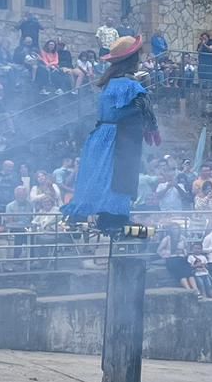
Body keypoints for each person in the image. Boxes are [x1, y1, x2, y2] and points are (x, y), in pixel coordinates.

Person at [62, 36, 160, 234]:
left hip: (102, 135)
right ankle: (115, 218)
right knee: (119, 176)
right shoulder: (129, 84)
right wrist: (152, 126)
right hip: (118, 138)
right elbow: (143, 103)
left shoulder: (110, 83)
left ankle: (103, 217)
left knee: (100, 177)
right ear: (132, 60)